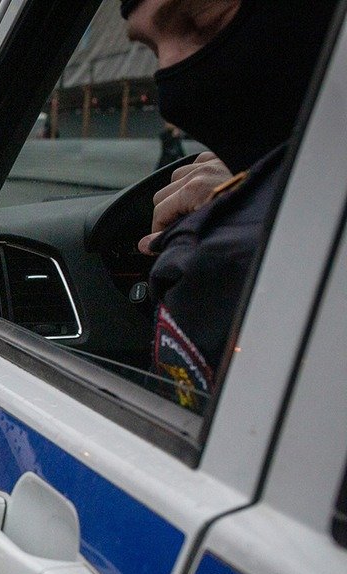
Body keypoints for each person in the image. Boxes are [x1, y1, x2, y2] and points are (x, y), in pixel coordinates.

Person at [123, 0, 337, 411]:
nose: (168, 67)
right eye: (150, 47)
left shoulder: (217, 263)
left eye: (202, 15)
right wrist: (269, 178)